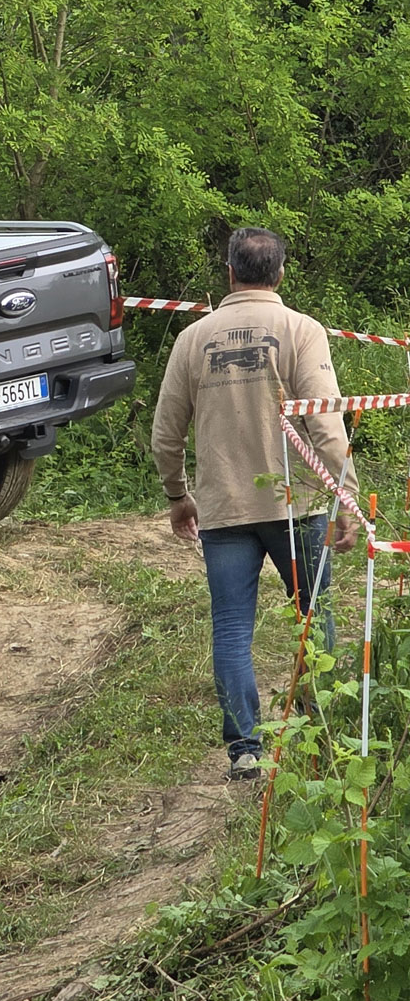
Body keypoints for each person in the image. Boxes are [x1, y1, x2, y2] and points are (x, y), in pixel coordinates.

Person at [151, 226, 356, 778]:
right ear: (282, 274)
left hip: (224, 510)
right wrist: (347, 497)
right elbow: (326, 427)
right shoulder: (301, 330)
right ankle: (322, 734)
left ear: (230, 273)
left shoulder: (193, 339)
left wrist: (178, 497)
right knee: (315, 617)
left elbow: (165, 435)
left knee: (232, 628)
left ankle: (245, 750)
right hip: (301, 507)